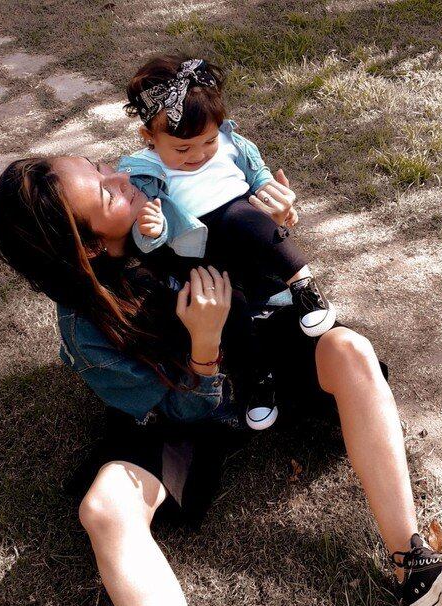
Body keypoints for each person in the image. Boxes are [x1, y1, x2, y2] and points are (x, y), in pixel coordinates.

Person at [0, 155, 442, 606]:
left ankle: (415, 568)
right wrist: (203, 348)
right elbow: (177, 412)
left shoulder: (163, 191)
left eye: (101, 167)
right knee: (105, 509)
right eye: (107, 197)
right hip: (181, 406)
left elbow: (245, 223)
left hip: (260, 353)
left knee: (349, 350)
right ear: (88, 248)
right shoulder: (88, 329)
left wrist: (273, 214)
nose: (124, 180)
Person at [119, 55, 335, 430]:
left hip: (244, 231)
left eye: (207, 142)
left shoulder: (233, 143)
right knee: (225, 309)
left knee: (244, 218)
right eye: (182, 150)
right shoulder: (142, 172)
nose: (198, 155)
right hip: (198, 254)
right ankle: (254, 380)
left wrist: (272, 195)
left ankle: (302, 287)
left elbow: (260, 177)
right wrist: (150, 231)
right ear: (149, 138)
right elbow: (145, 238)